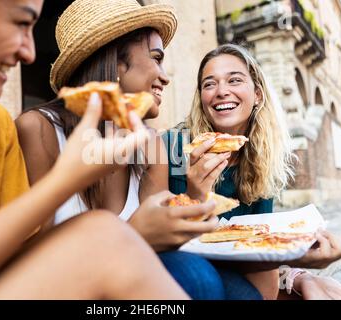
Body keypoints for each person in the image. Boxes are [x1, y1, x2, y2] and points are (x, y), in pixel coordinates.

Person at [0, 0, 189, 299]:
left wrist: (196, 192)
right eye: (21, 23)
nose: (29, 53)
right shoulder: (33, 130)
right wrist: (67, 182)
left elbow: (19, 264)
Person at [17, 0, 262, 300]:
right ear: (116, 64)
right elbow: (32, 266)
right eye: (156, 58)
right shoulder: (38, 131)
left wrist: (196, 195)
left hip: (133, 285)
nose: (165, 76)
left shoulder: (150, 145)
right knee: (198, 279)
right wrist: (131, 235)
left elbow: (163, 246)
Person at [164, 43, 341, 300]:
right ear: (201, 97)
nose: (222, 91)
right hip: (180, 262)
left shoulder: (260, 156)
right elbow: (161, 236)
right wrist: (195, 193)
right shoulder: (178, 146)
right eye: (209, 84)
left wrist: (295, 270)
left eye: (234, 80)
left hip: (241, 267)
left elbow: (257, 245)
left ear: (257, 94)